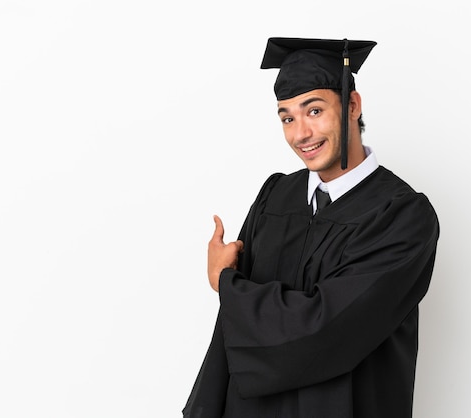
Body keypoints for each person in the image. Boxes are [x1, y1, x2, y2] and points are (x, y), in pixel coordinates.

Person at [183, 37, 440, 418]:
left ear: (352, 106)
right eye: (287, 117)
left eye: (314, 110)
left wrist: (226, 282)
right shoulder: (276, 197)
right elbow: (230, 329)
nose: (300, 133)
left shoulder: (402, 216)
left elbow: (326, 327)